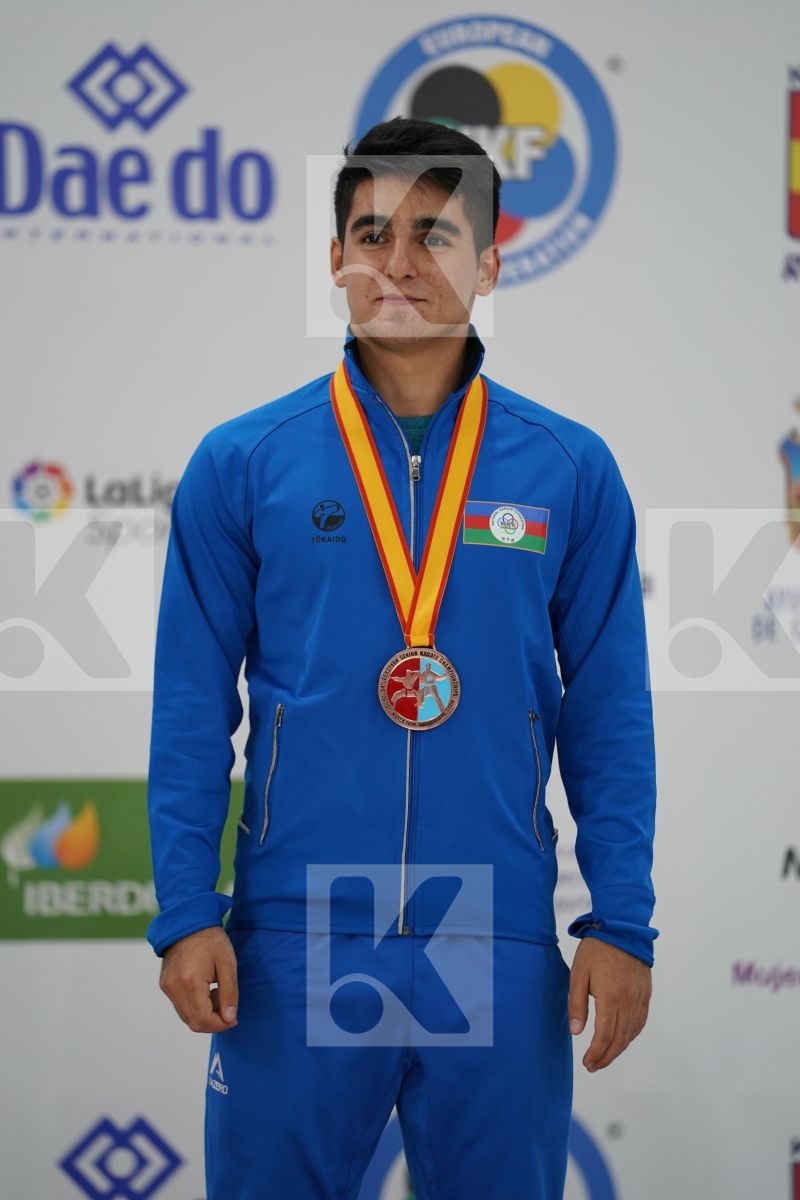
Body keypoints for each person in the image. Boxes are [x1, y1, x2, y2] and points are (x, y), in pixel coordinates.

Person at [147, 116, 657, 1199]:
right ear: (333, 259)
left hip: (492, 928)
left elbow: (606, 714)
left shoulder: (568, 469)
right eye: (370, 232)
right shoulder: (244, 463)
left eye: (433, 233)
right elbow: (194, 709)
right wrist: (188, 909)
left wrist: (618, 918)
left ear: (489, 260)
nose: (396, 262)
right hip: (295, 928)